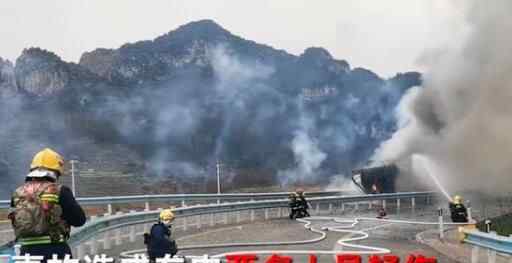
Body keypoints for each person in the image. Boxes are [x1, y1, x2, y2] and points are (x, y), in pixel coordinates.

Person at [8, 148, 86, 262]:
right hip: (55, 251)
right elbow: (79, 220)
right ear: (56, 172)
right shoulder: (60, 191)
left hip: (26, 253)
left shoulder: (17, 193)